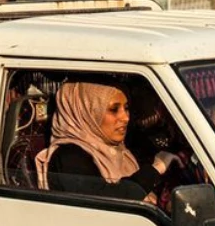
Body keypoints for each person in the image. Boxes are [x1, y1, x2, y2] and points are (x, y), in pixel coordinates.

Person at [35, 80, 180, 201]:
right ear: (87, 112)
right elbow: (105, 202)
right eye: (114, 110)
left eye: (126, 108)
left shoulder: (120, 148)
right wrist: (155, 169)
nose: (125, 118)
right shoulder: (69, 157)